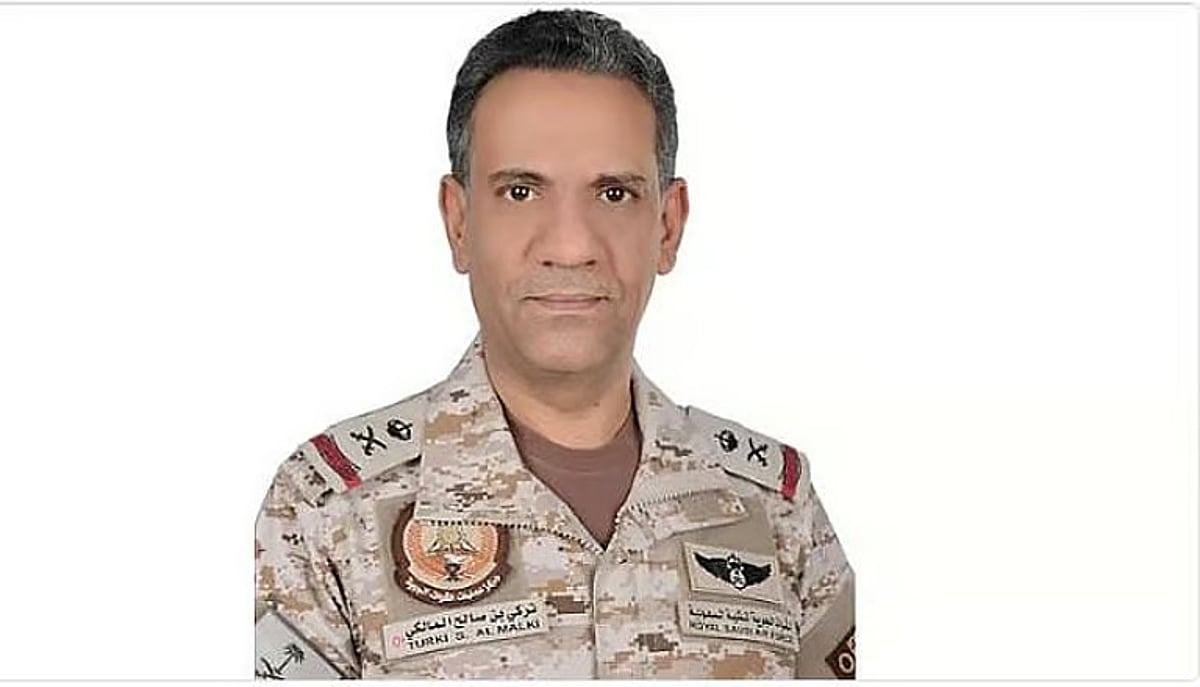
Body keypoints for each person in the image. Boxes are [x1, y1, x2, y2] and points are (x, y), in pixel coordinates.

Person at [254, 7, 855, 679]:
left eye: (614, 193)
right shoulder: (324, 512)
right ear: (459, 222)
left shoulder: (776, 509)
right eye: (520, 191)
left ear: (667, 226)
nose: (570, 246)